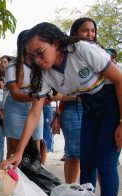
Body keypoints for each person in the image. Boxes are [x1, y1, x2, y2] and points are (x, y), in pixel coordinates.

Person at [1, 22, 122, 196]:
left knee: (105, 167)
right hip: (88, 106)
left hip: (112, 104)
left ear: (56, 43)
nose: (37, 60)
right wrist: (18, 153)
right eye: (32, 56)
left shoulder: (83, 50)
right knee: (86, 166)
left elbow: (119, 79)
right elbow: (35, 112)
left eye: (40, 52)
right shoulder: (44, 74)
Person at [58, 17, 97, 183]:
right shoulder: (66, 56)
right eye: (85, 30)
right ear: (74, 33)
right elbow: (55, 93)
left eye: (93, 30)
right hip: (73, 110)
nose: (90, 34)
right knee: (74, 155)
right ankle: (71, 193)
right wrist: (80, 94)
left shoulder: (99, 53)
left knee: (97, 156)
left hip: (96, 109)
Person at [3, 30, 44, 159]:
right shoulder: (13, 66)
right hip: (15, 109)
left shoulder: (41, 63)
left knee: (35, 147)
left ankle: (34, 177)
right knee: (14, 149)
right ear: (22, 44)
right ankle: (13, 177)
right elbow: (15, 93)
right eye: (29, 41)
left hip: (35, 108)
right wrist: (38, 96)